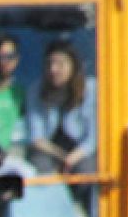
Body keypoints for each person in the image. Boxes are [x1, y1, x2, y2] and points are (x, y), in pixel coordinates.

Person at [25, 41, 94, 204]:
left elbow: (94, 137)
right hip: (50, 150)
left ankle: (85, 209)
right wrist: (63, 157)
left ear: (73, 66)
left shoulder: (91, 90)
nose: (53, 69)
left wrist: (73, 157)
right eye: (49, 64)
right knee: (40, 167)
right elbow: (36, 137)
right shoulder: (35, 91)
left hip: (81, 151)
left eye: (60, 64)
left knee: (86, 170)